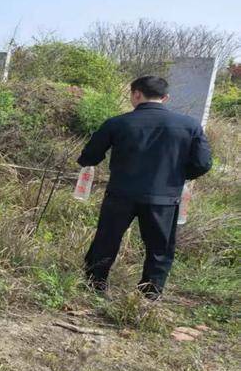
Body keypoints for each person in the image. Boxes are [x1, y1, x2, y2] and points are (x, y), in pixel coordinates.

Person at [77, 75, 212, 300]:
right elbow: (203, 163)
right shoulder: (189, 125)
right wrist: (177, 176)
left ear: (136, 94)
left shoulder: (117, 123)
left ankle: (95, 286)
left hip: (121, 194)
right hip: (164, 198)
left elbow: (89, 156)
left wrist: (87, 164)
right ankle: (149, 296)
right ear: (166, 97)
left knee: (106, 240)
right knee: (160, 248)